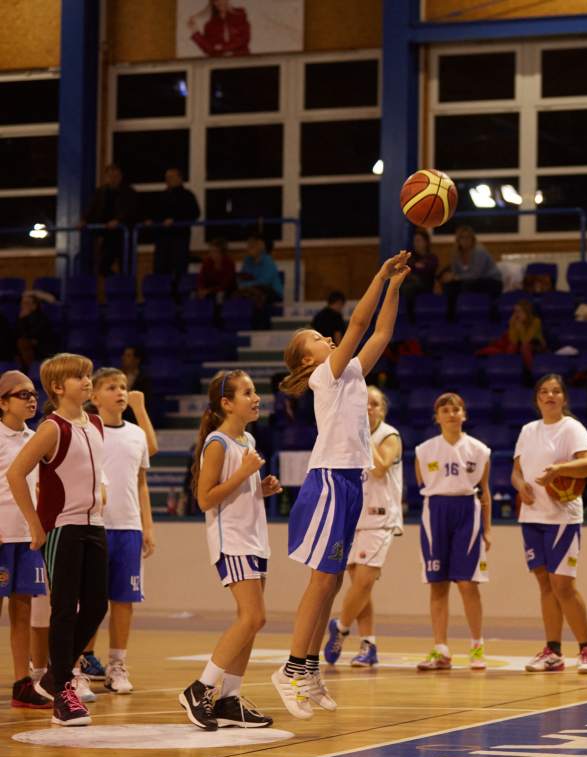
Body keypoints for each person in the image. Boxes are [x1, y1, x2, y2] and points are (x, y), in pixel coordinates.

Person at [272, 251, 410, 720]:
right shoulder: (324, 377)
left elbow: (382, 333)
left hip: (351, 481)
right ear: (307, 359)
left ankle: (309, 668)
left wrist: (394, 289)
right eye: (316, 337)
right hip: (329, 481)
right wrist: (380, 274)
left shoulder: (350, 372)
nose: (326, 337)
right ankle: (291, 668)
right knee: (320, 582)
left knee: (331, 584)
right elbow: (359, 323)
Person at [6, 354, 107, 726]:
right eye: (79, 377)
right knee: (64, 609)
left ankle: (54, 675)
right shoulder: (52, 427)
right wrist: (34, 524)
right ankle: (62, 692)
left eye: (88, 374)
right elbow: (16, 474)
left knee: (96, 606)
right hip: (63, 528)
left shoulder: (95, 423)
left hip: (95, 525)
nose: (87, 381)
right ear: (58, 388)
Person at [177, 369, 279, 730]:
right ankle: (200, 689)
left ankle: (229, 698)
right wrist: (244, 475)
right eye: (247, 392)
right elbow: (205, 499)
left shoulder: (247, 439)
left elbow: (234, 491)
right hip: (232, 540)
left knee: (251, 621)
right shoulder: (217, 443)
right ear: (226, 403)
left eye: (254, 391)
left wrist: (259, 488)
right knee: (253, 617)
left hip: (254, 537)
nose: (256, 398)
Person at [512, 374, 587, 674]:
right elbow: (516, 471)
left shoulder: (572, 428)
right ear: (537, 398)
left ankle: (586, 650)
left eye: (556, 391)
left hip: (562, 516)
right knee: (545, 584)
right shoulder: (528, 430)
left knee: (563, 585)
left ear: (564, 398)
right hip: (531, 516)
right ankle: (553, 651)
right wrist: (520, 486)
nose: (550, 396)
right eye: (544, 391)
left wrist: (559, 470)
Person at [324, 388, 406, 669]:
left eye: (374, 404)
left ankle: (341, 626)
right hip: (353, 516)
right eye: (364, 403)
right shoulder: (347, 435)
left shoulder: (389, 436)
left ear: (383, 410)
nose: (369, 407)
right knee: (360, 587)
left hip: (380, 518)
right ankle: (368, 644)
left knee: (363, 582)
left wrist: (361, 434)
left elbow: (380, 468)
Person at [87, 369, 157, 695]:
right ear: (94, 397)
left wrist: (147, 526)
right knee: (89, 599)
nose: (120, 392)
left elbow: (141, 483)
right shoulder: (88, 431)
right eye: (111, 387)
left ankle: (117, 664)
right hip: (95, 524)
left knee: (124, 600)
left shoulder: (136, 434)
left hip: (129, 527)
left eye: (124, 387)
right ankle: (81, 663)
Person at [408, 393, 491, 670]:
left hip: (467, 511)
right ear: (437, 417)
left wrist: (487, 530)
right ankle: (440, 649)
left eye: (456, 409)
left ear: (464, 414)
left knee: (468, 584)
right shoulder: (424, 450)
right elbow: (422, 484)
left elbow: (485, 492)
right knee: (438, 583)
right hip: (435, 512)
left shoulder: (479, 450)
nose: (451, 414)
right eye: (445, 410)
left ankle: (477, 646)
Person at [0, 370, 49, 710]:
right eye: (22, 394)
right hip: (2, 534)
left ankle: (22, 682)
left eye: (33, 393)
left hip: (27, 535)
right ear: (3, 403)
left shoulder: (36, 438)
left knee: (23, 609)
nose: (31, 399)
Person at [82, 164, 138, 275]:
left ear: (120, 177)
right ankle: (116, 281)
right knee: (102, 267)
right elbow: (92, 209)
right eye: (110, 176)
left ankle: (124, 284)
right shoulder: (101, 192)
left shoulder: (129, 192)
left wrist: (119, 220)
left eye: (116, 176)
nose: (113, 179)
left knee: (126, 267)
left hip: (124, 234)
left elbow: (131, 210)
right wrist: (84, 220)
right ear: (106, 177)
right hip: (107, 235)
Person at [150, 167, 201, 284]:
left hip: (179, 239)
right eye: (167, 177)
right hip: (162, 239)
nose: (168, 180)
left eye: (171, 177)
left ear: (180, 178)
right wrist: (153, 221)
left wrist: (175, 220)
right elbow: (154, 213)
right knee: (160, 270)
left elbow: (195, 213)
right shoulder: (161, 196)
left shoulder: (188, 195)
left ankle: (179, 294)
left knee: (179, 272)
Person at [438, 226, 501, 308]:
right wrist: (449, 278)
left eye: (468, 237)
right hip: (470, 280)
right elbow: (455, 272)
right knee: (449, 285)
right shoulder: (456, 254)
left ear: (472, 239)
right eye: (462, 237)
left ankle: (477, 309)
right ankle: (451, 312)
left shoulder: (479, 251)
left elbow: (475, 275)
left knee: (467, 285)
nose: (465, 240)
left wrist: (455, 277)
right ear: (458, 240)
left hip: (491, 280)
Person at [237, 234, 283, 310]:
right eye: (248, 244)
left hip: (272, 292)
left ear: (261, 246)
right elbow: (242, 278)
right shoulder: (247, 260)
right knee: (239, 295)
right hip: (252, 291)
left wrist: (247, 285)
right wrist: (244, 285)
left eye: (252, 244)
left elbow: (264, 282)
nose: (248, 247)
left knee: (258, 295)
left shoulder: (268, 261)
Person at [14, 292, 58, 370]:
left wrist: (22, 320)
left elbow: (34, 334)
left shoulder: (42, 319)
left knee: (23, 343)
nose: (23, 305)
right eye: (22, 303)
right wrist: (21, 320)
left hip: (42, 349)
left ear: (34, 306)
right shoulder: (21, 318)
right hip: (29, 349)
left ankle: (27, 369)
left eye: (27, 303)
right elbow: (17, 334)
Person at [403, 228, 439, 320]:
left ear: (426, 242)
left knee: (410, 284)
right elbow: (407, 268)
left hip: (425, 286)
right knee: (404, 284)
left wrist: (415, 268)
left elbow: (428, 269)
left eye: (419, 240)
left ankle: (410, 318)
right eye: (415, 241)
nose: (416, 243)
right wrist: (417, 267)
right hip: (410, 284)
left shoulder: (432, 257)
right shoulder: (410, 257)